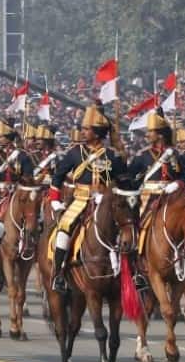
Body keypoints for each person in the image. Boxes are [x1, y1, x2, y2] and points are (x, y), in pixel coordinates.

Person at [47, 102, 132, 293]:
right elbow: (58, 176)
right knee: (64, 231)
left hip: (106, 202)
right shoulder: (75, 153)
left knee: (127, 231)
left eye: (87, 129)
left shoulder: (110, 155)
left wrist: (124, 164)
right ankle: (58, 274)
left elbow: (124, 181)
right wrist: (55, 200)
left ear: (97, 132)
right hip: (80, 201)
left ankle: (133, 274)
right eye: (83, 129)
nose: (83, 132)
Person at [127, 110, 185, 288]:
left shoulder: (175, 155)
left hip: (172, 197)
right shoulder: (143, 156)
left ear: (159, 135)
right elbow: (130, 178)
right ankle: (138, 266)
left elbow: (184, 177)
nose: (147, 135)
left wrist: (176, 184)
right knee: (138, 226)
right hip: (148, 199)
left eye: (150, 132)